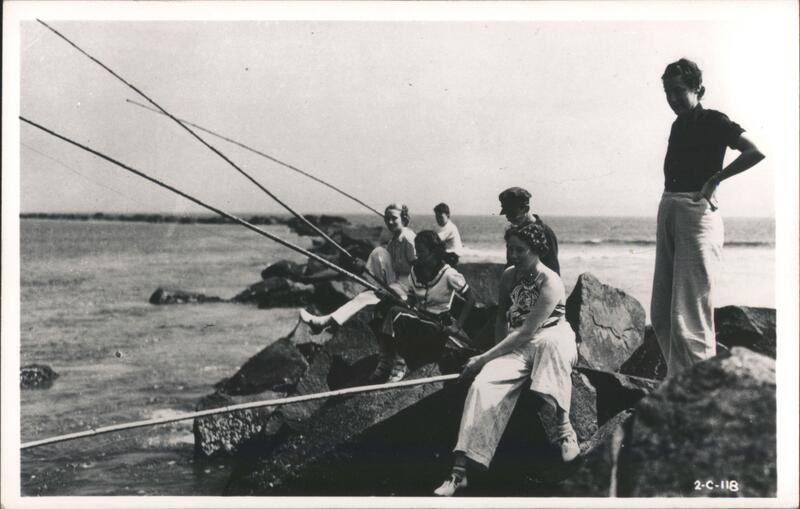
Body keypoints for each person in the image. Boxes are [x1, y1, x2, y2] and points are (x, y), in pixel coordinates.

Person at [434, 222, 579, 497]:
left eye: (520, 250)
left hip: (553, 337)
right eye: (510, 248)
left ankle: (565, 430)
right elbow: (502, 318)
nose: (512, 255)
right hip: (518, 344)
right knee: (481, 386)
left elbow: (528, 331)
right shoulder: (508, 276)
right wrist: (494, 356)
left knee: (549, 346)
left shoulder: (551, 281)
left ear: (537, 250)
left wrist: (481, 359)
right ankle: (459, 472)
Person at [651, 58, 765, 376]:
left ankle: (697, 390)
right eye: (668, 92)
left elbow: (754, 151)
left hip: (696, 213)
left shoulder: (714, 120)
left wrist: (717, 178)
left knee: (690, 315)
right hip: (669, 208)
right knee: (661, 313)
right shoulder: (678, 125)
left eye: (678, 90)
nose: (673, 98)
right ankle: (681, 382)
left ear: (698, 89)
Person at [369, 230, 476, 382]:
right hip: (419, 319)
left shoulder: (449, 274)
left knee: (397, 313)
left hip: (437, 326)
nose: (417, 255)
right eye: (416, 251)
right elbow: (411, 300)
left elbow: (471, 299)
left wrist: (457, 326)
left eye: (421, 252)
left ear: (434, 252)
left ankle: (400, 364)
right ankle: (385, 360)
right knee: (382, 308)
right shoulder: (415, 271)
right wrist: (390, 298)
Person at [299, 203, 416, 333]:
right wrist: (364, 267)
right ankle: (326, 323)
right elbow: (391, 266)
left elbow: (419, 270)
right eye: (387, 218)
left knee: (365, 296)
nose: (390, 222)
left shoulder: (408, 239)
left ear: (404, 218)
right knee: (378, 254)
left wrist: (408, 296)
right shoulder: (394, 240)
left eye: (394, 218)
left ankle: (324, 323)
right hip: (396, 284)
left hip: (407, 290)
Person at [498, 187, 560, 275]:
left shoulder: (545, 233)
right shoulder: (513, 233)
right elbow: (510, 265)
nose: (508, 218)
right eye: (506, 214)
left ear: (526, 209)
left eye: (512, 213)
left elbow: (553, 271)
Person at [433, 202, 464, 267]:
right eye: (437, 217)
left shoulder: (450, 227)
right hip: (448, 254)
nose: (438, 219)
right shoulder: (441, 227)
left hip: (453, 256)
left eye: (440, 217)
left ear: (448, 216)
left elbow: (436, 239)